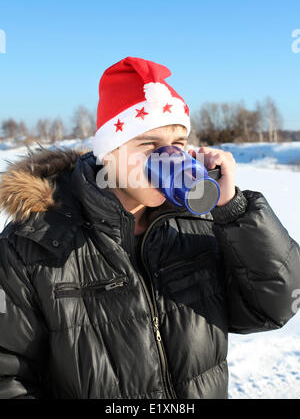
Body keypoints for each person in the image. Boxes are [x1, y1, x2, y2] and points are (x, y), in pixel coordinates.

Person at [0, 56, 299, 399]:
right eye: (149, 145)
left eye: (178, 145)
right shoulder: (32, 244)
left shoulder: (195, 224)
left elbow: (274, 307)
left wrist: (234, 211)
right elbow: (7, 376)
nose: (170, 157)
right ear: (108, 153)